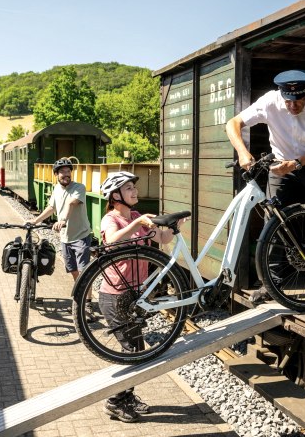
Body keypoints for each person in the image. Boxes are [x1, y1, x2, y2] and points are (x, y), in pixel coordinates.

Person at [226, 69, 305, 302]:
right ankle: (271, 284)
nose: (293, 106)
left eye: (299, 101)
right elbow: (233, 123)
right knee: (272, 222)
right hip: (280, 167)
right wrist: (243, 153)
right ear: (280, 94)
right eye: (288, 101)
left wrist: (296, 164)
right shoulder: (269, 102)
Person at [99, 171, 179, 423]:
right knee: (130, 349)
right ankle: (114, 401)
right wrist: (137, 224)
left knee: (137, 348)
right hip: (114, 295)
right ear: (115, 196)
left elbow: (162, 239)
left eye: (134, 187)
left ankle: (126, 397)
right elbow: (111, 243)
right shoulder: (110, 219)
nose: (135, 191)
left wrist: (176, 228)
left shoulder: (136, 216)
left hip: (135, 295)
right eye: (129, 188)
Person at [30, 158, 92, 285]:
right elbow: (51, 207)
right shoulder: (57, 188)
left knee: (83, 271)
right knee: (73, 270)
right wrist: (35, 221)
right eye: (62, 172)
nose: (66, 174)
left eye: (68, 171)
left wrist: (63, 220)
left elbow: (72, 203)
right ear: (56, 175)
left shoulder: (79, 187)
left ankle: (88, 301)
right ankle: (80, 293)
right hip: (65, 237)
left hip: (81, 235)